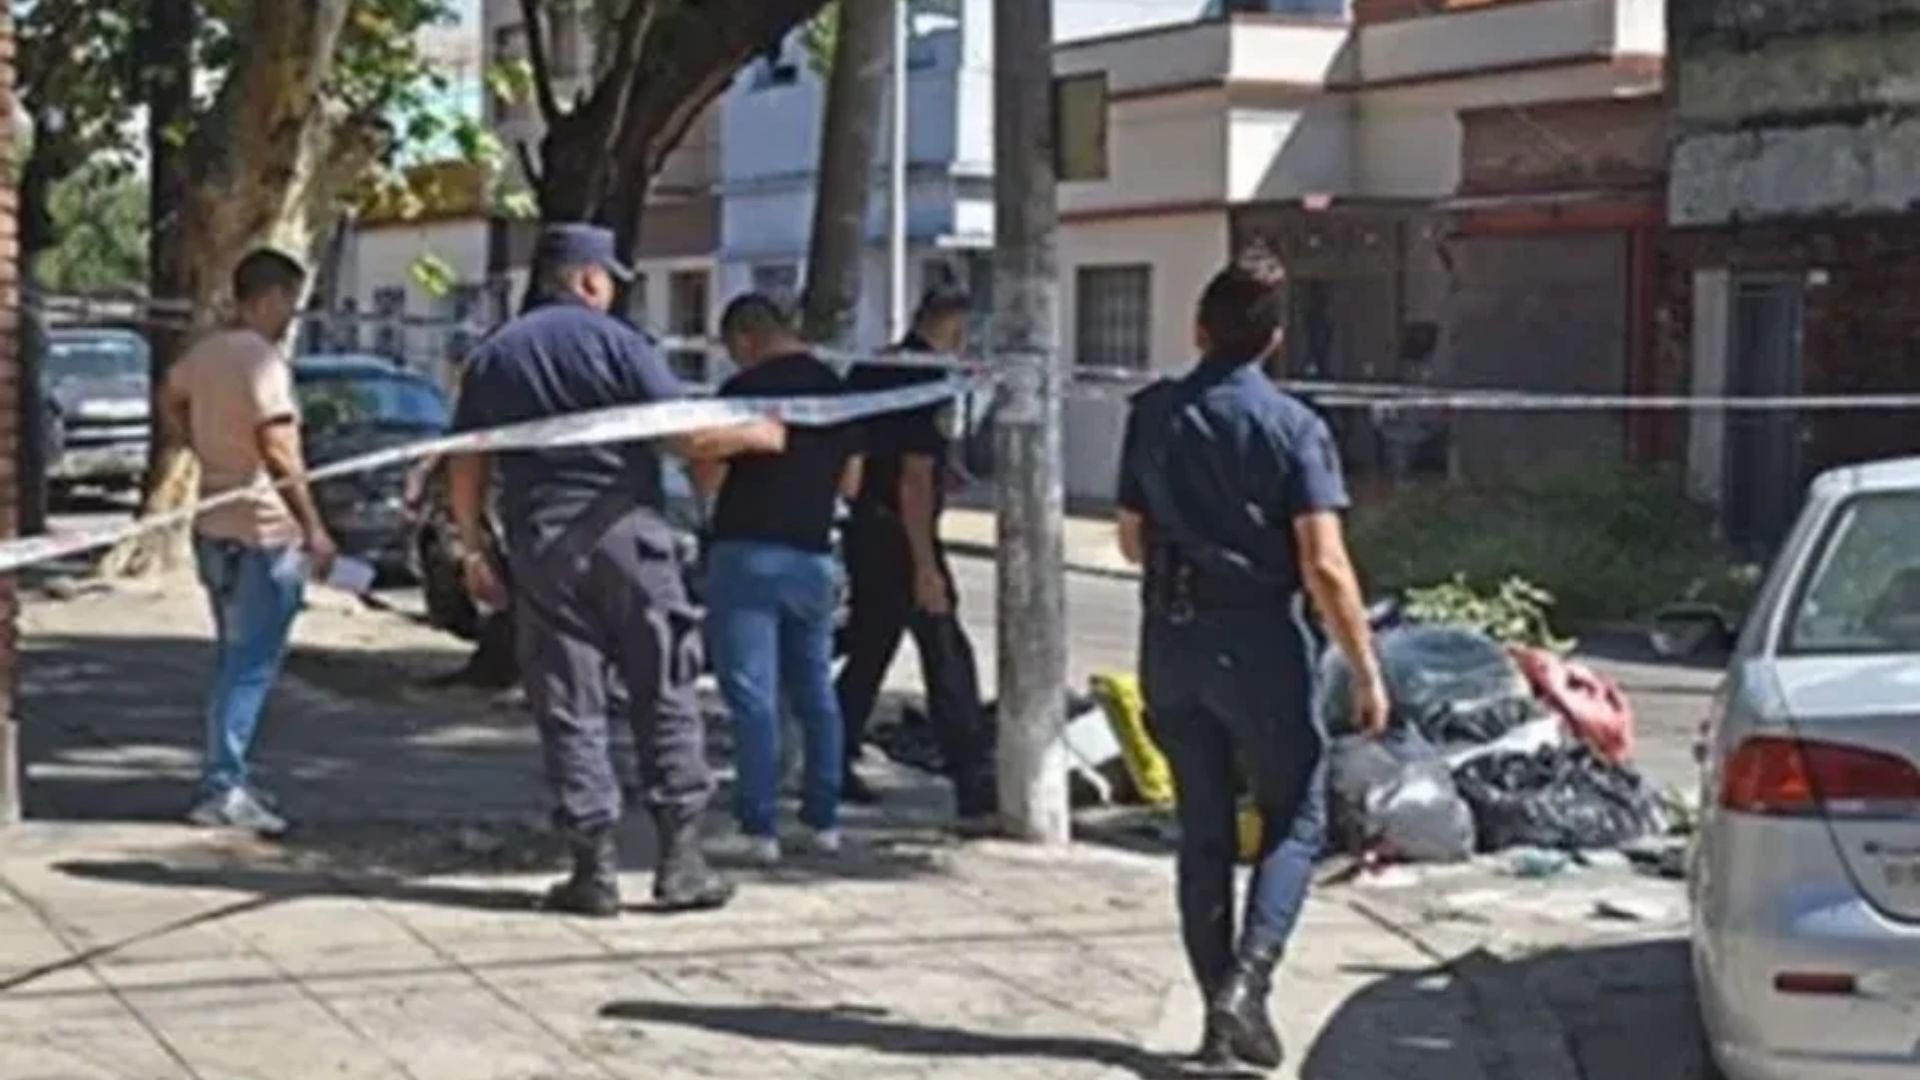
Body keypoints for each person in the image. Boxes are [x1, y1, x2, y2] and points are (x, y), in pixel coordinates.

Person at [448, 223, 786, 917]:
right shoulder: (619, 344)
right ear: (588, 279)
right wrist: (759, 432)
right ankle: (680, 862)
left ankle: (592, 871)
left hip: (541, 545)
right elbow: (683, 433)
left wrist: (473, 547)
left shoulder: (494, 357)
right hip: (627, 535)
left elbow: (469, 456)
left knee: (570, 703)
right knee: (662, 686)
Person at [1116, 263, 1389, 1072]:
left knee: (1202, 832)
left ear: (1199, 329)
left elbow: (1132, 540)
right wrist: (1366, 669)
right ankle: (1249, 984)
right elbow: (1326, 565)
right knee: (1295, 815)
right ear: (1275, 340)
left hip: (1170, 636)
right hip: (1261, 636)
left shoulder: (1153, 415)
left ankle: (1216, 1021)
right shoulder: (1293, 427)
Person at [158, 247, 337, 838]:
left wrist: (198, 446)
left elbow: (169, 393)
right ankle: (221, 785)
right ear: (270, 297)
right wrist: (312, 525)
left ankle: (228, 774)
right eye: (291, 302)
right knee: (250, 666)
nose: (292, 316)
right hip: (263, 533)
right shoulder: (263, 361)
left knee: (233, 658)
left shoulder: (206, 355)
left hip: (214, 526)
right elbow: (280, 449)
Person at [698, 294, 863, 864]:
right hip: (813, 557)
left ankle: (758, 827)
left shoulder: (744, 393)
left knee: (753, 697)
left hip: (746, 552)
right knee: (816, 693)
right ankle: (823, 820)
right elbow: (853, 484)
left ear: (745, 339)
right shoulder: (838, 394)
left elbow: (709, 477)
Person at [836, 285, 992, 828]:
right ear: (956, 328)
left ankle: (831, 759)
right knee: (946, 652)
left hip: (866, 528)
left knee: (871, 647)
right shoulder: (925, 380)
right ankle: (974, 782)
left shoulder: (872, 369)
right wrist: (925, 565)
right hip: (902, 533)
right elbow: (914, 480)